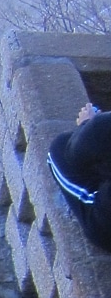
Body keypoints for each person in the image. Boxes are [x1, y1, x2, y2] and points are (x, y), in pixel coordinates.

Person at [48, 102, 111, 252]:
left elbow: (73, 152)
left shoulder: (101, 127)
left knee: (58, 148)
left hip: (105, 231)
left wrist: (87, 124)